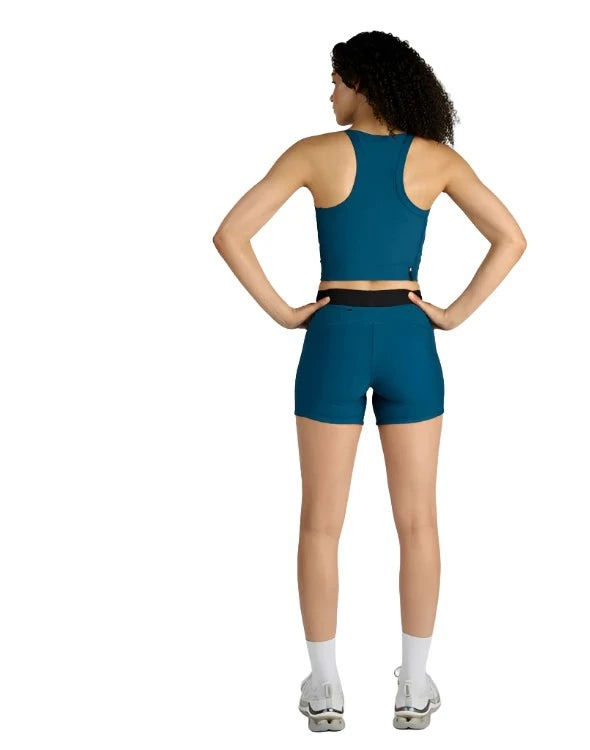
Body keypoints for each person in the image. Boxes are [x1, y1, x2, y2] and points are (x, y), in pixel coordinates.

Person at [212, 30, 526, 732]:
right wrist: (451, 314)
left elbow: (230, 233)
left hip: (335, 336)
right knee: (419, 522)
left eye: (336, 80)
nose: (330, 93)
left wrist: (285, 312)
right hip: (411, 339)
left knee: (320, 523)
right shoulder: (437, 160)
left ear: (362, 83)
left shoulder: (313, 154)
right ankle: (413, 686)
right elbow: (512, 238)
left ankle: (325, 688)